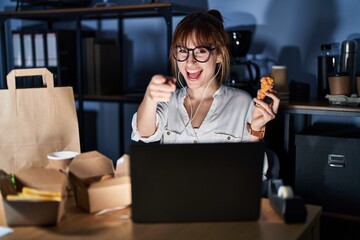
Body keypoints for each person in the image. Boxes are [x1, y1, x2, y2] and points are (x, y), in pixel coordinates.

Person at [131, 9, 280, 179]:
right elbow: (144, 132)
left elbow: (251, 175)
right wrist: (149, 97)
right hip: (174, 200)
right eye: (182, 50)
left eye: (200, 51)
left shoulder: (243, 102)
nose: (189, 61)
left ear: (219, 55)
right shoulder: (168, 100)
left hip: (223, 201)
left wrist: (255, 131)